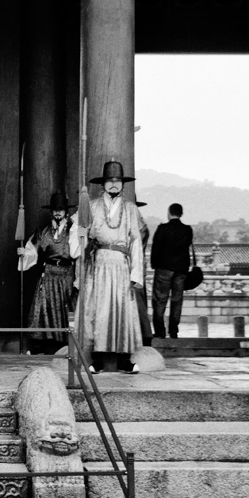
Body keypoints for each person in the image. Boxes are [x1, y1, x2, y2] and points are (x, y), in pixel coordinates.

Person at [78, 160, 144, 374]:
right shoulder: (93, 206)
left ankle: (125, 358)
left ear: (123, 185)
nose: (114, 185)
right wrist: (79, 235)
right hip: (99, 264)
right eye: (110, 181)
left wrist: (136, 273)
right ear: (103, 184)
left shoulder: (130, 208)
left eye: (117, 181)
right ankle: (97, 358)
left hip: (121, 265)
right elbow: (81, 234)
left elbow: (136, 241)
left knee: (121, 309)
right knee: (99, 310)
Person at [17, 191, 80, 354]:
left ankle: (65, 346)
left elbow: (79, 253)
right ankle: (39, 345)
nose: (58, 212)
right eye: (55, 209)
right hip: (48, 273)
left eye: (61, 209)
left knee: (67, 309)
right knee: (42, 307)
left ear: (66, 211)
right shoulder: (43, 231)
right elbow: (33, 250)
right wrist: (24, 253)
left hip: (66, 274)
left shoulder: (73, 231)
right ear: (51, 211)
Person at [150, 203, 194, 340]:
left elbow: (155, 248)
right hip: (181, 270)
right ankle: (173, 331)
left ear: (169, 213)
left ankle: (160, 332)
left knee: (159, 300)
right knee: (177, 300)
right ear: (181, 214)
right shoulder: (187, 230)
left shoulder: (163, 229)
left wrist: (154, 264)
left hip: (164, 268)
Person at [133, 197, 153, 346]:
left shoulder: (140, 225)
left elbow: (136, 246)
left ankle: (145, 335)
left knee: (138, 302)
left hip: (136, 267)